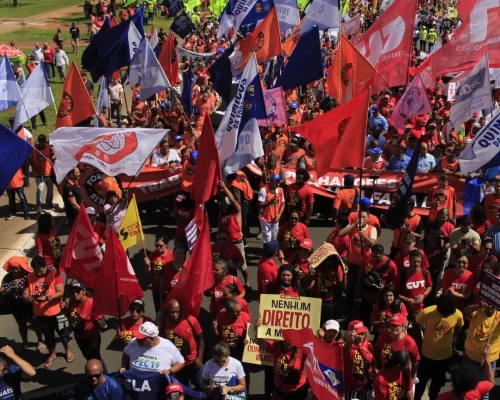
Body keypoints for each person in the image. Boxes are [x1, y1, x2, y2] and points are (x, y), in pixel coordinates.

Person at [22, 256, 73, 367]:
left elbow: (60, 291)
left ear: (45, 266)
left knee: (63, 333)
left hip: (57, 312)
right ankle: (52, 353)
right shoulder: (29, 277)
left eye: (40, 271)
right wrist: (29, 298)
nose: (38, 274)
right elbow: (25, 294)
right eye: (36, 271)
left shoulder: (54, 274)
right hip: (41, 314)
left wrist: (48, 298)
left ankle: (68, 351)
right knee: (48, 335)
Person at [414, 294, 464, 400]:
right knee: (421, 383)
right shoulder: (427, 312)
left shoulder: (458, 314)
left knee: (436, 384)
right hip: (426, 356)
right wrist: (420, 340)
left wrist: (455, 338)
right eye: (444, 313)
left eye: (449, 314)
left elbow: (459, 326)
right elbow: (417, 323)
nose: (447, 315)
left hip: (445, 357)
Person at [159, 299, 204, 389]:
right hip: (177, 365)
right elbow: (161, 342)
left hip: (192, 362)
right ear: (168, 312)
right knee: (184, 389)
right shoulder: (164, 322)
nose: (175, 315)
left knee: (202, 387)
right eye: (172, 312)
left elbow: (201, 339)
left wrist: (199, 357)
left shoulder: (191, 320)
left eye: (177, 312)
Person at [1, 257, 44, 349]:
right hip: (15, 304)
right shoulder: (8, 277)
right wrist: (7, 291)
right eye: (12, 268)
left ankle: (40, 340)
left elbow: (38, 287)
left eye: (17, 268)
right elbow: (2, 290)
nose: (15, 271)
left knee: (35, 322)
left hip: (29, 304)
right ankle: (25, 342)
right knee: (21, 324)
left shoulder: (29, 275)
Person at [462, 302, 500, 400]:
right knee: (467, 386)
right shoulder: (477, 311)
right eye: (488, 302)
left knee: (485, 390)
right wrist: (479, 306)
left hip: (489, 359)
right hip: (470, 356)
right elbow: (465, 311)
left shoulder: (498, 316)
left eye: (492, 303)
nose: (490, 305)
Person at [67, 282, 102, 361]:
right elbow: (69, 313)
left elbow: (98, 322)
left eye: (78, 291)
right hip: (79, 336)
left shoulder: (91, 303)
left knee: (96, 359)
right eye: (73, 292)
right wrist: (64, 309)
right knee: (87, 357)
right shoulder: (72, 301)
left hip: (90, 337)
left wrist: (95, 340)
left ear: (84, 292)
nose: (75, 294)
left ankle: (101, 369)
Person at [342, 320, 373, 399]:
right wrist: (350, 342)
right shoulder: (345, 344)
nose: (361, 336)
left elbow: (372, 360)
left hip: (364, 384)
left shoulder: (368, 345)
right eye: (358, 334)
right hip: (350, 385)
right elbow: (345, 351)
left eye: (362, 333)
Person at [258, 174, 285, 243]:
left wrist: (279, 215)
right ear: (271, 182)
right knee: (267, 239)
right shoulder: (264, 190)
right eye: (276, 182)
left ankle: (273, 249)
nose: (278, 183)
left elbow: (283, 203)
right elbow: (259, 205)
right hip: (266, 219)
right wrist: (269, 203)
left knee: (274, 238)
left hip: (275, 219)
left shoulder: (280, 190)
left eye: (278, 181)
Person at [31, 134, 54, 213]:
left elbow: (53, 158)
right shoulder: (35, 149)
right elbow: (32, 160)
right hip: (39, 174)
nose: (42, 144)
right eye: (40, 142)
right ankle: (39, 206)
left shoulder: (49, 148)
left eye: (43, 142)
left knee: (50, 190)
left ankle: (49, 203)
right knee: (40, 190)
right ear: (39, 142)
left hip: (48, 174)